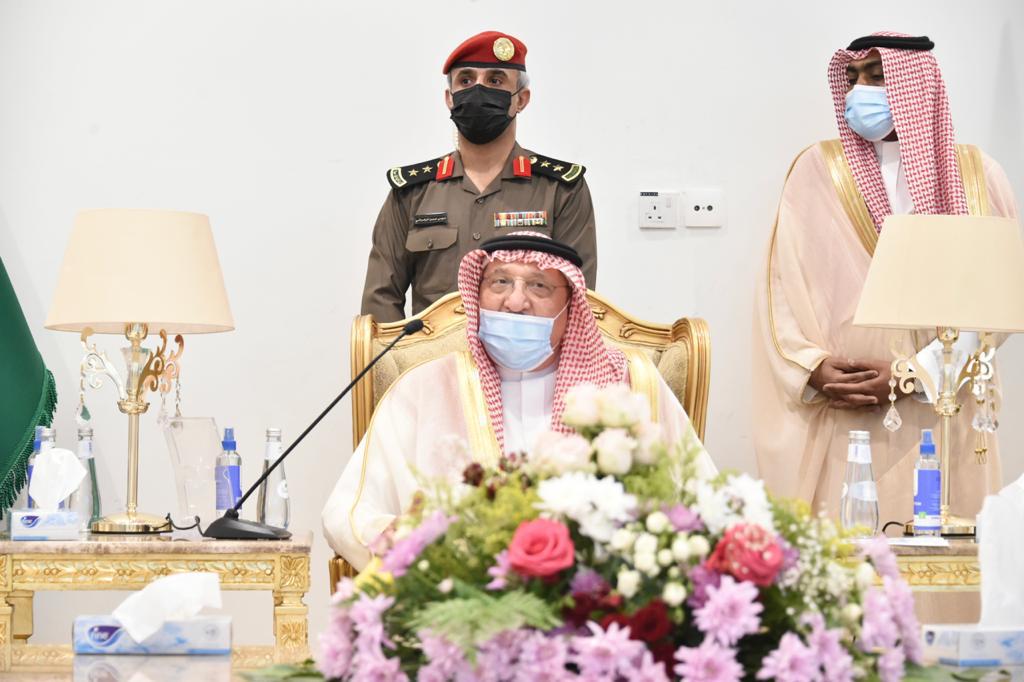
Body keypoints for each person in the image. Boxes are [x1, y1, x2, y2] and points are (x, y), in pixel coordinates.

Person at [752, 32, 1018, 525]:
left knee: (943, 549)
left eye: (877, 76)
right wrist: (813, 368)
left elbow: (998, 301)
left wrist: (914, 374)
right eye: (853, 77)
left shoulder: (978, 176)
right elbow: (779, 287)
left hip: (945, 408)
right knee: (850, 550)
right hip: (846, 408)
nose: (860, 91)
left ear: (918, 85)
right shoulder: (817, 170)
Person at [327, 233, 711, 569]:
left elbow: (702, 501)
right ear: (478, 295)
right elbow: (348, 512)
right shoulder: (423, 388)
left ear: (570, 306)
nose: (515, 301)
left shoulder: (629, 386)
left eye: (539, 286)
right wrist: (407, 542)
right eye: (500, 282)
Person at [360, 30, 598, 322]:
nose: (478, 91)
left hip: (528, 350)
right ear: (449, 98)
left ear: (521, 99)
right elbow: (380, 299)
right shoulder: (411, 192)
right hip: (434, 349)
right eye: (466, 80)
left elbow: (578, 299)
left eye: (495, 81)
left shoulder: (561, 189)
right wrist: (403, 353)